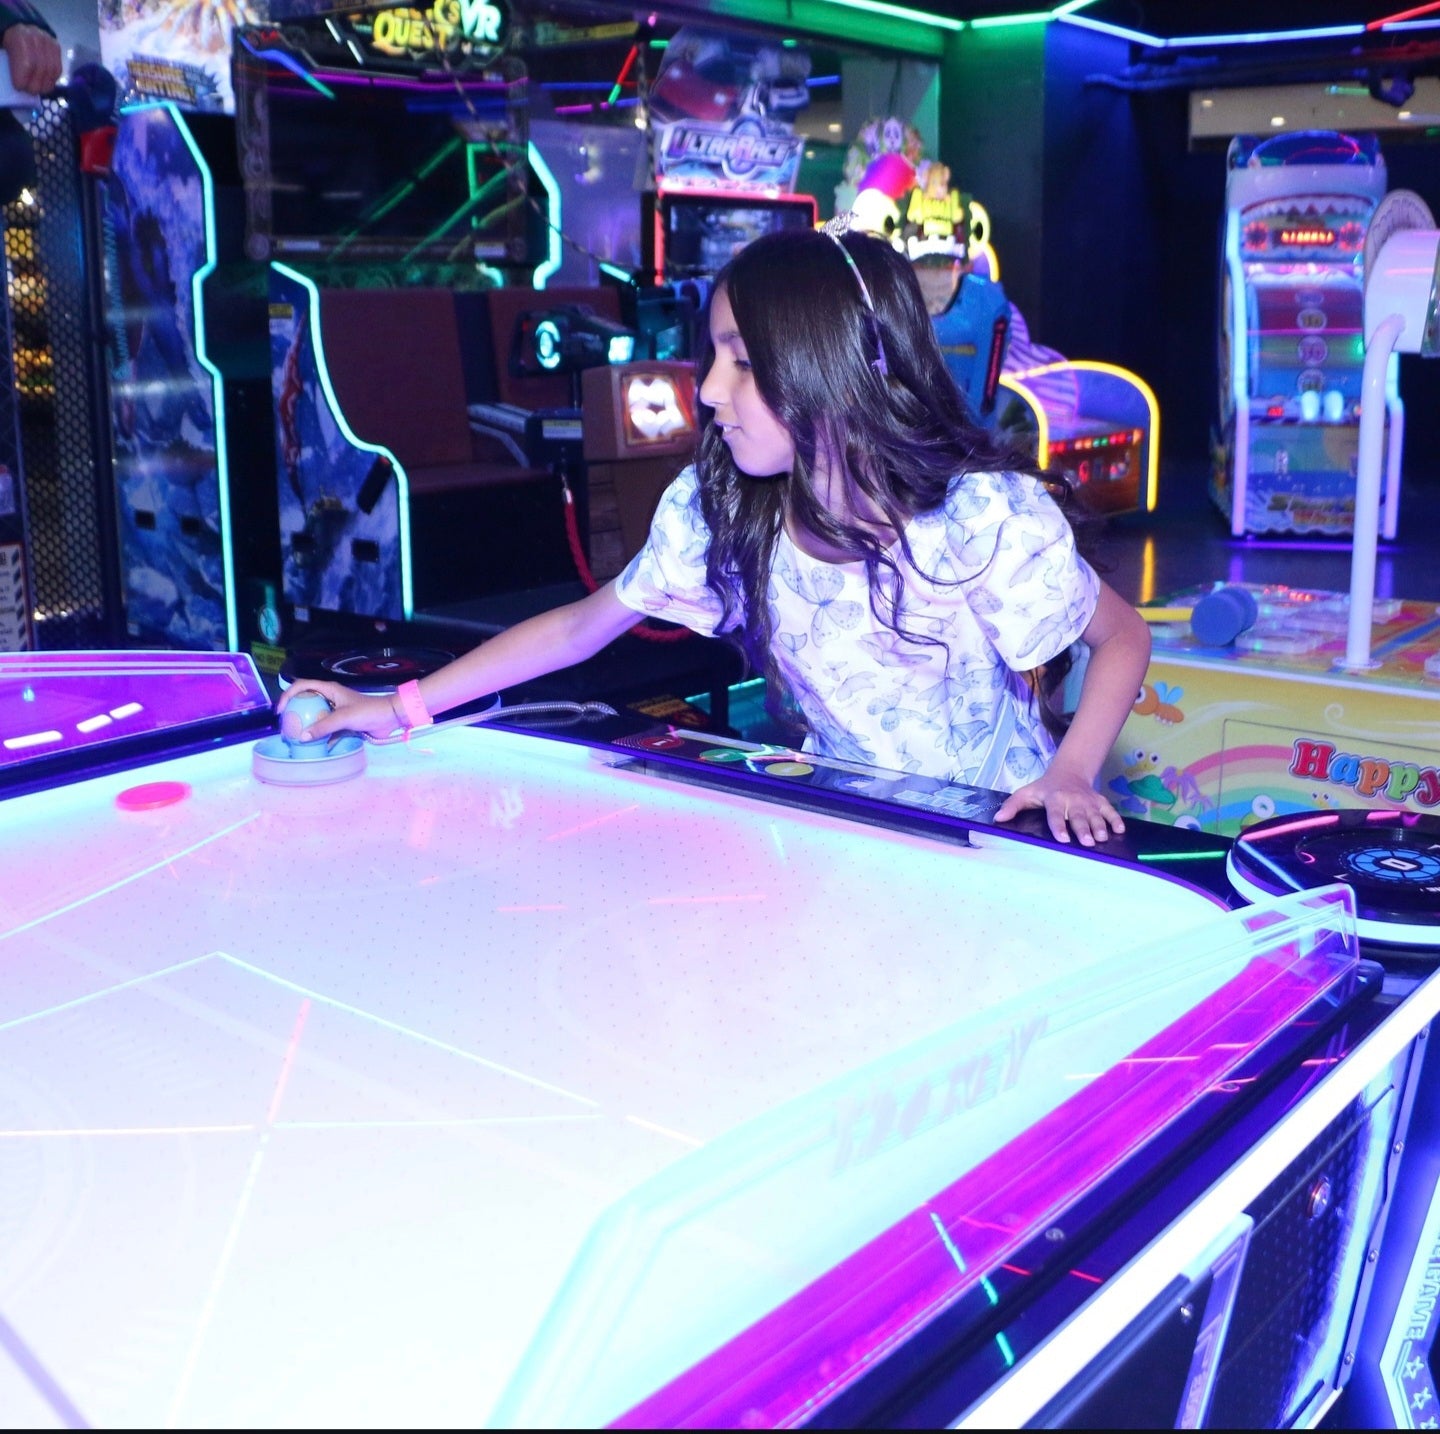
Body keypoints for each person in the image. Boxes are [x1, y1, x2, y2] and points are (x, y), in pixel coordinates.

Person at [279, 223, 1151, 846]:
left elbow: (1123, 637)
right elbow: (580, 628)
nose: (706, 389)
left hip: (1000, 835)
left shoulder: (974, 519)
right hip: (853, 823)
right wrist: (398, 710)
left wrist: (1072, 772)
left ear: (832, 365)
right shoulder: (722, 507)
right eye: (712, 356)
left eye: (741, 359)